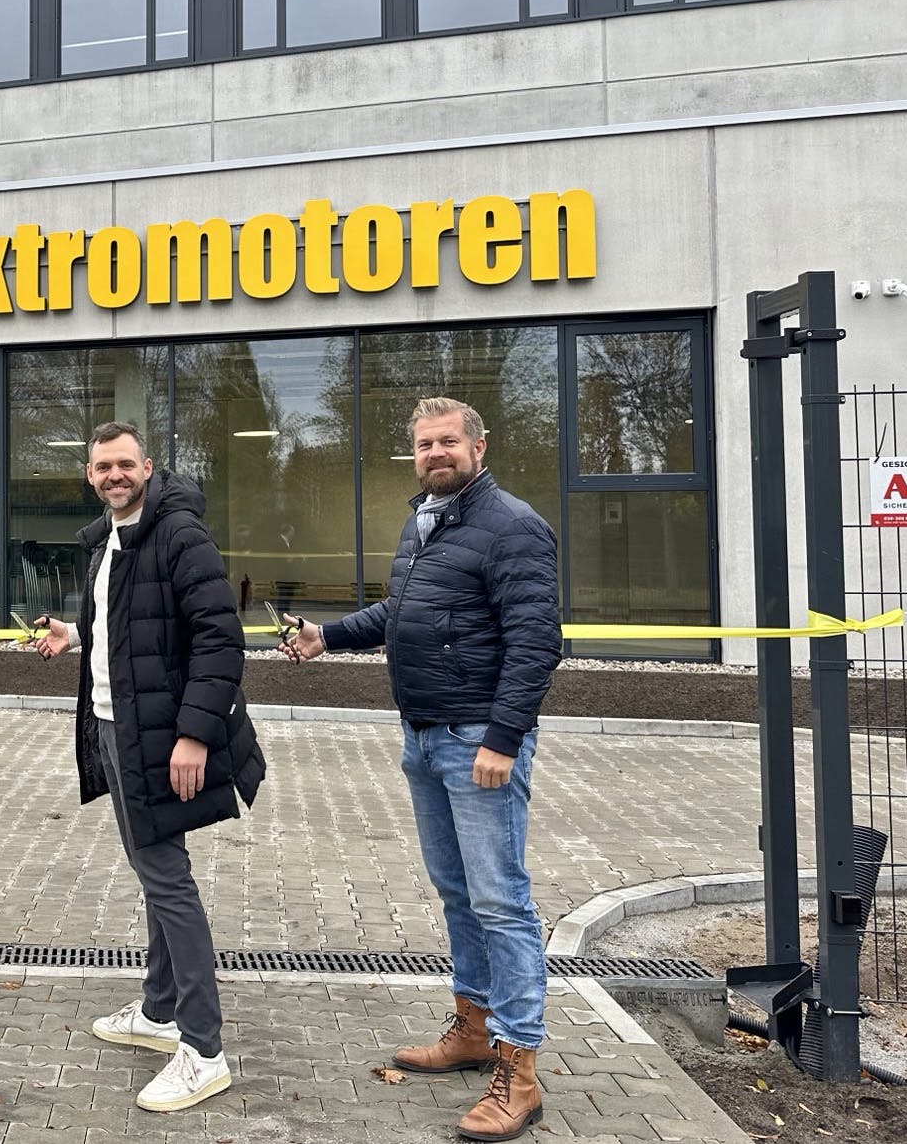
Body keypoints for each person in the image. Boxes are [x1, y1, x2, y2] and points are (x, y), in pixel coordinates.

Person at [280, 398, 560, 1143]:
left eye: (448, 441)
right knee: (458, 893)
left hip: (478, 743)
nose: (436, 452)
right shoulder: (426, 521)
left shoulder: (513, 525)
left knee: (502, 901)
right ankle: (473, 1027)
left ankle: (519, 1072)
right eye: (425, 443)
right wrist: (328, 636)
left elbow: (537, 641)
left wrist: (503, 737)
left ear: (479, 446)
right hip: (425, 737)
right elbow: (400, 611)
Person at [31, 422, 266, 1114]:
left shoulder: (178, 534)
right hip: (117, 727)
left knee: (166, 879)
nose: (114, 475)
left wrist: (193, 735)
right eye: (103, 466)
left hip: (161, 736)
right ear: (89, 474)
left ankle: (204, 1049)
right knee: (156, 870)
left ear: (148, 466)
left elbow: (219, 639)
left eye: (125, 464)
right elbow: (130, 619)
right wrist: (73, 633)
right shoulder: (110, 538)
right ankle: (160, 1010)